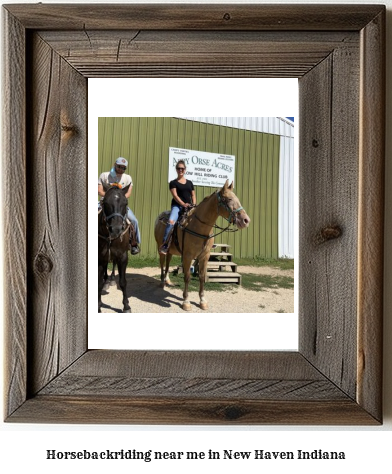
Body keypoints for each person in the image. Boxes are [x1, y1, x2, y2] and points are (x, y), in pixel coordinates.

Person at [98, 157, 141, 255]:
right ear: (115, 164)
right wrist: (111, 198)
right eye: (119, 167)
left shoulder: (128, 178)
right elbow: (99, 190)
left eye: (123, 168)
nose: (121, 169)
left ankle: (134, 244)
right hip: (105, 203)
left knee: (134, 220)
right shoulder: (104, 175)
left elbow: (128, 194)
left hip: (120, 205)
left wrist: (118, 200)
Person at [159, 160, 196, 255]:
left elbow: (193, 195)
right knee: (171, 221)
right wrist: (183, 204)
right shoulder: (173, 183)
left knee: (198, 221)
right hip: (177, 206)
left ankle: (203, 242)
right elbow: (175, 196)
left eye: (182, 168)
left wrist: (194, 204)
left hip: (189, 207)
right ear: (176, 170)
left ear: (185, 170)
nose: (180, 170)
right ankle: (165, 244)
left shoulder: (190, 183)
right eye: (179, 168)